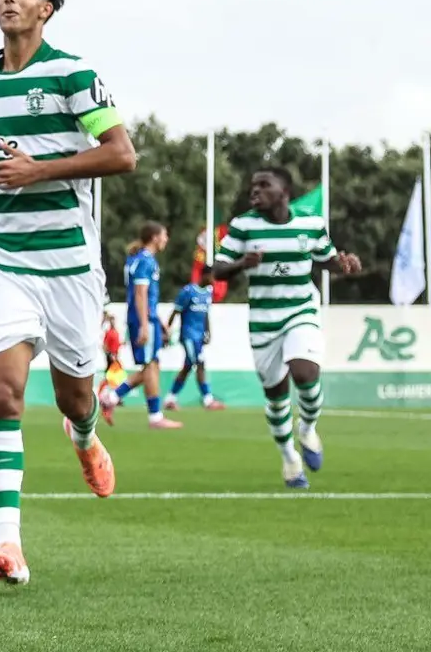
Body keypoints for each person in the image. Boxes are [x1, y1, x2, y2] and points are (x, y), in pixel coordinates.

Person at [0, 0, 135, 586]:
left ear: (46, 7)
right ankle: (8, 546)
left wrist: (39, 170)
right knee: (3, 394)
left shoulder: (75, 73)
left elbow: (121, 154)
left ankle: (85, 438)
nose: (7, 0)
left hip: (69, 262)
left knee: (75, 398)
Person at [210, 167, 361, 488]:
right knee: (276, 396)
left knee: (305, 372)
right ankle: (290, 458)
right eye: (253, 185)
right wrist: (241, 264)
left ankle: (307, 429)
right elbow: (218, 271)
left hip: (300, 310)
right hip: (264, 321)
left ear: (284, 191)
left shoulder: (310, 224)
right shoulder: (242, 226)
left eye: (264, 185)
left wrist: (344, 265)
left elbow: (326, 259)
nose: (255, 191)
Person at [110, 223, 180, 428]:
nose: (166, 239)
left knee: (153, 366)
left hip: (147, 318)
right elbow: (140, 294)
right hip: (142, 320)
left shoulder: (137, 259)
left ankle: (112, 398)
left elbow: (145, 297)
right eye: (165, 235)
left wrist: (159, 321)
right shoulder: (146, 261)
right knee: (150, 366)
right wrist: (144, 325)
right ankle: (154, 417)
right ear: (155, 237)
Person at [165, 279, 222, 409]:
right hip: (188, 336)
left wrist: (208, 332)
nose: (213, 279)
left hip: (199, 338)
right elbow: (176, 311)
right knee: (200, 363)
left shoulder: (208, 293)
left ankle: (170, 398)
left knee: (188, 366)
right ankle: (208, 400)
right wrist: (167, 330)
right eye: (211, 275)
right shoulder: (188, 291)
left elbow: (206, 314)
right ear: (205, 275)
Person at [94, 311, 124, 422]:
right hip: (112, 357)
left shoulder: (115, 332)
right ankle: (112, 397)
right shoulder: (110, 332)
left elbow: (117, 344)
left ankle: (114, 397)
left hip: (115, 356)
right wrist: (110, 354)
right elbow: (105, 345)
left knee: (113, 378)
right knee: (111, 378)